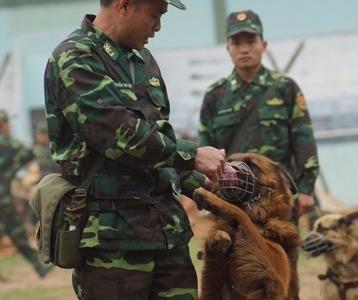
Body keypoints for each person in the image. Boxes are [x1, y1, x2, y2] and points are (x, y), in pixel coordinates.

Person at [43, 0, 226, 299]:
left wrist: (202, 185)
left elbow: (158, 140)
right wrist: (193, 156)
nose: (158, 26)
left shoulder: (143, 60)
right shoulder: (74, 58)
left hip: (166, 234)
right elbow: (119, 137)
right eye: (155, 15)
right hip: (112, 242)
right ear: (125, 5)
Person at [197, 10, 320, 299]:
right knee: (229, 275)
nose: (244, 48)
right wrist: (204, 191)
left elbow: (304, 140)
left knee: (283, 278)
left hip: (276, 205)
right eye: (237, 42)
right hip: (232, 202)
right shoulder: (215, 95)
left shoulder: (285, 89)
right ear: (228, 47)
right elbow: (205, 147)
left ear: (263, 44)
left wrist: (306, 189)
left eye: (250, 40)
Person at [0, 110, 53, 278]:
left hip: (4, 198)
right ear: (3, 124)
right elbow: (29, 152)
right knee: (17, 234)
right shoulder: (6, 143)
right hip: (3, 200)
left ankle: (39, 267)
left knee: (16, 233)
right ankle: (39, 266)